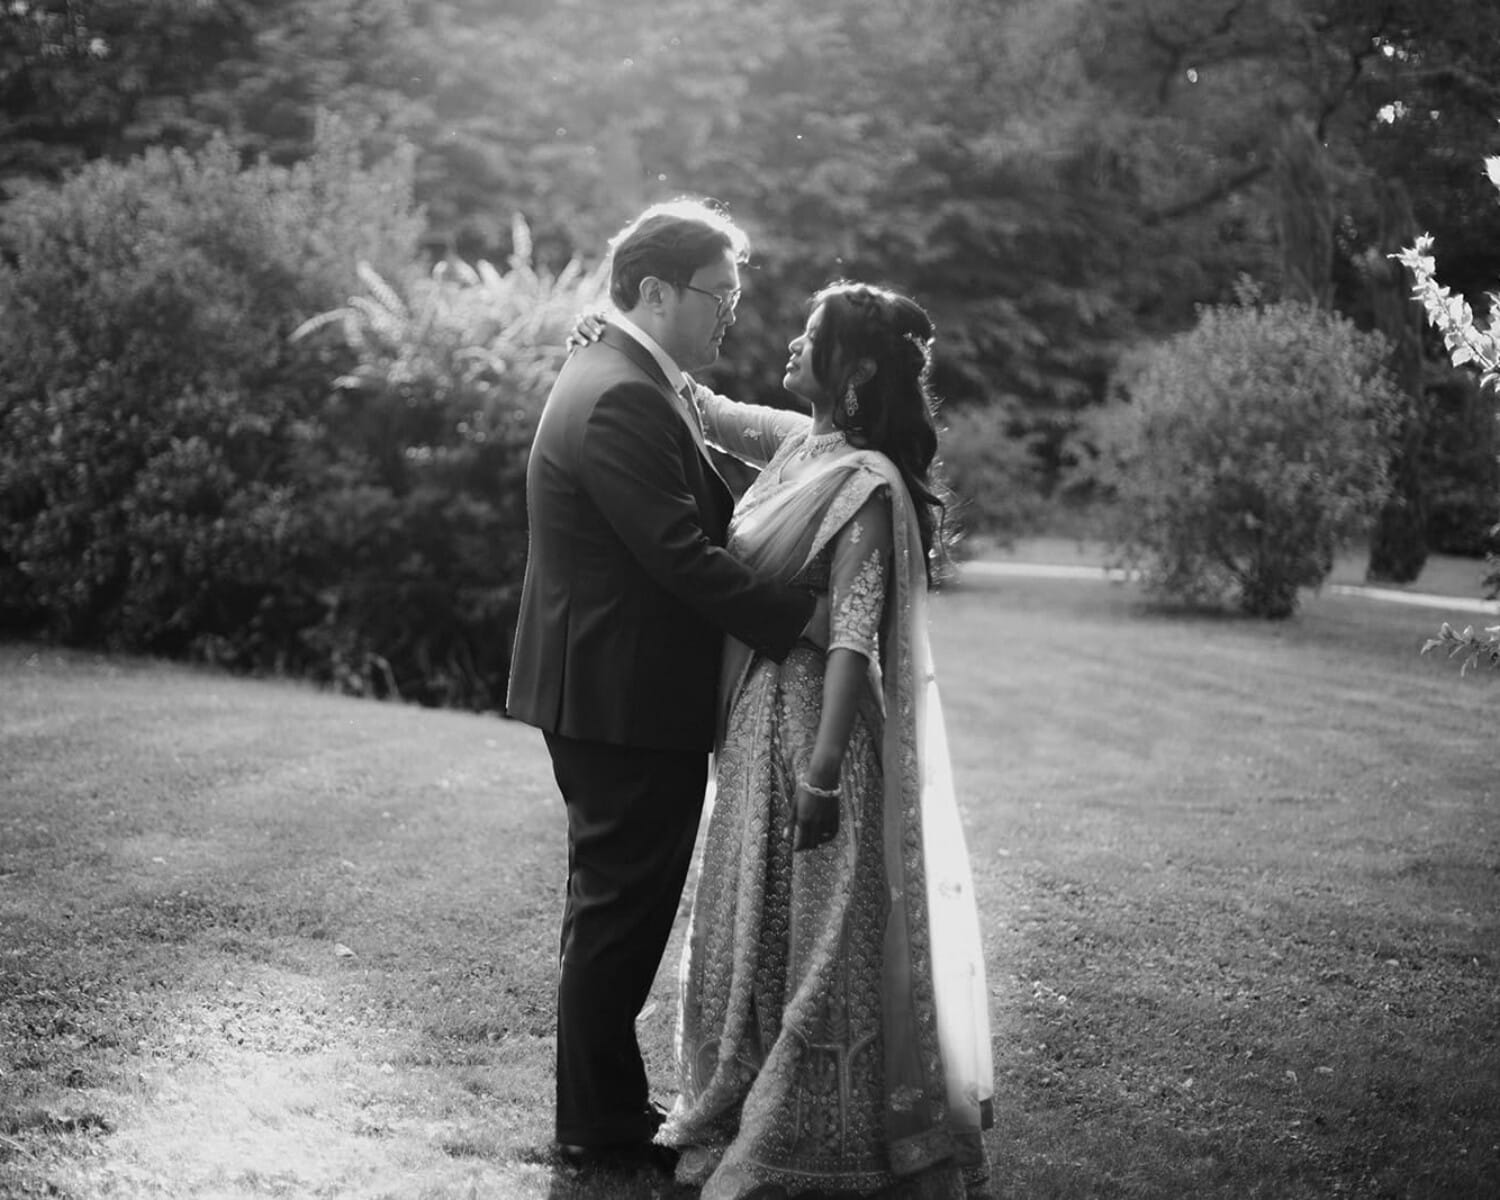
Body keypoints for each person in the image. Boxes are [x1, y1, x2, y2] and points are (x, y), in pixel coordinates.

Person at [582, 282, 994, 1197]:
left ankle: (815, 1122)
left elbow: (851, 637)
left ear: (853, 374)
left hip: (819, 732)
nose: (793, 345)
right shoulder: (802, 444)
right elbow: (707, 408)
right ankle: (734, 1084)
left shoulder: (867, 486)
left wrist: (822, 777)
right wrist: (612, 329)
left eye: (813, 338)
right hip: (751, 723)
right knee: (747, 915)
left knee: (816, 933)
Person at [505, 199, 822, 1174]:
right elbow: (679, 554)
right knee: (619, 912)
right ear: (655, 291)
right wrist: (801, 620)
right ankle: (598, 1127)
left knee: (610, 906)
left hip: (610, 687)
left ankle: (600, 1109)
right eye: (718, 294)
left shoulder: (630, 370)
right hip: (623, 698)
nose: (731, 311)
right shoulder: (622, 393)